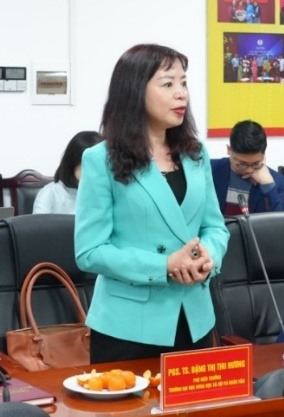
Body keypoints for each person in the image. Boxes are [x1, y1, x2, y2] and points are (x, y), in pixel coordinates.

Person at [75, 43, 229, 364]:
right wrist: (164, 266)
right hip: (128, 327)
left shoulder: (195, 154)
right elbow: (90, 251)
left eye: (184, 83)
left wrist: (208, 258)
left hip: (195, 319)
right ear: (134, 91)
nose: (182, 94)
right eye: (168, 84)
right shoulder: (100, 159)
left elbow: (215, 227)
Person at [210, 119, 284, 215]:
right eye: (242, 163)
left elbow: (277, 221)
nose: (249, 169)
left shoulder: (277, 181)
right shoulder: (210, 170)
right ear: (229, 150)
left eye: (256, 163)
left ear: (264, 154)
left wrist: (267, 185)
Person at [33, 130, 104, 215]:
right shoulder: (50, 193)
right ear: (73, 162)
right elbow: (39, 223)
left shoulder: (105, 193)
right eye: (90, 166)